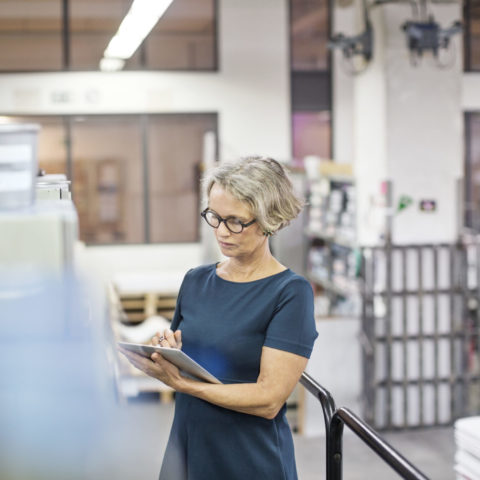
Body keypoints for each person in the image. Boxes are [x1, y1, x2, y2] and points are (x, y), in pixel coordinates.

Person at [119, 156, 318, 480]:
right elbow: (185, 354)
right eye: (214, 216)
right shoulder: (196, 281)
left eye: (235, 221)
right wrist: (166, 352)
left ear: (268, 221)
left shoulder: (290, 293)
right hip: (188, 446)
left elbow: (268, 399)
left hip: (248, 458)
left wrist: (184, 385)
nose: (221, 231)